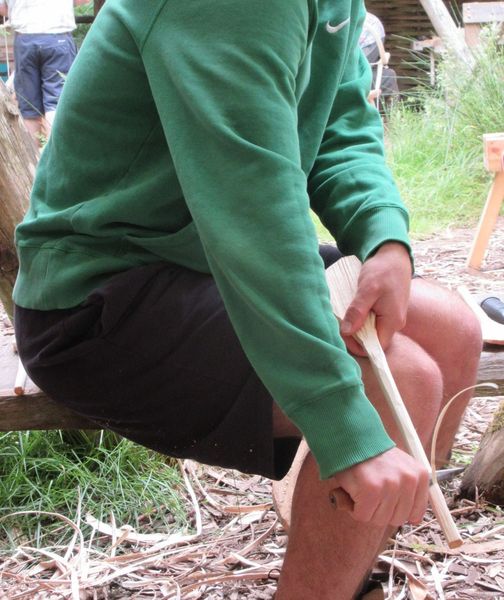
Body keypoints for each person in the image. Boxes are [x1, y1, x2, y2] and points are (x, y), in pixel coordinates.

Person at [12, 1, 482, 598]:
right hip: (97, 298)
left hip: (207, 255)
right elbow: (254, 209)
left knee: (451, 329)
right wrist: (346, 428)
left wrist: (383, 236)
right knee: (396, 384)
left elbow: (338, 118)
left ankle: (349, 562)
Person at [0, 0, 86, 144]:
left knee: (29, 107)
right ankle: (54, 157)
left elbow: (2, 8)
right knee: (57, 102)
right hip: (58, 38)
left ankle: (33, 161)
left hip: (25, 40)